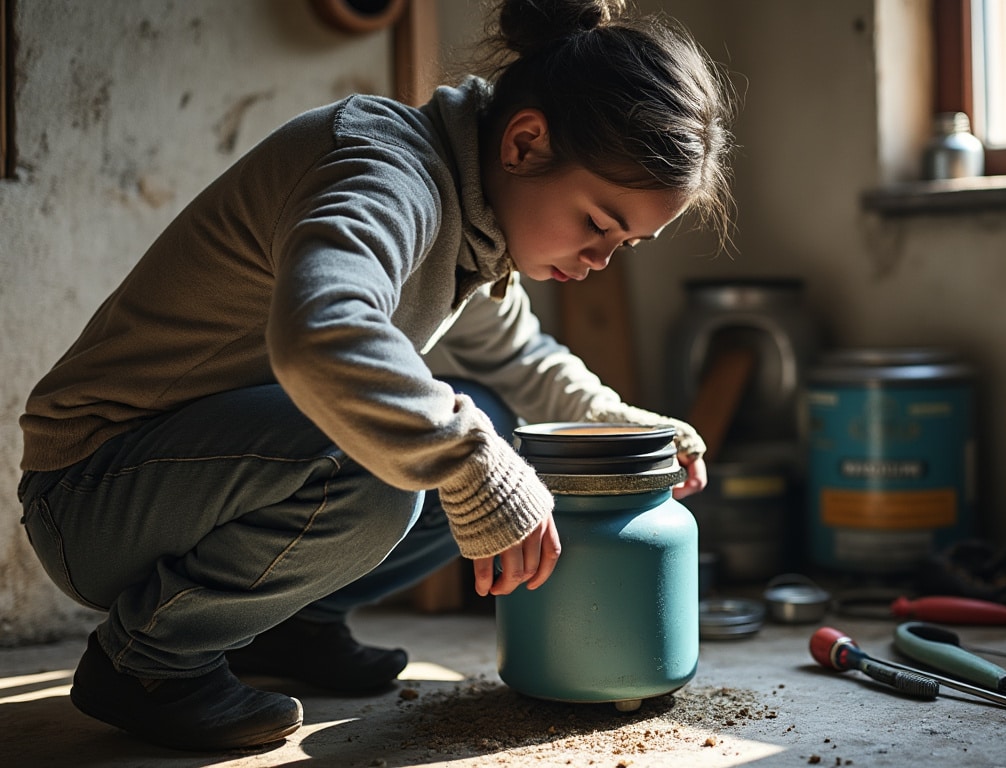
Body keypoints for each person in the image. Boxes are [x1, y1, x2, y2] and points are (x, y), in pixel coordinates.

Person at [16, 0, 735, 752]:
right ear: (525, 142)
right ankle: (146, 664)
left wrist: (617, 420)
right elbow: (320, 333)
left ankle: (286, 627)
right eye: (597, 222)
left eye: (627, 244)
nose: (598, 262)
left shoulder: (479, 223)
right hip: (92, 495)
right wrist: (468, 458)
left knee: (483, 421)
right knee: (403, 460)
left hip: (197, 478)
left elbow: (519, 358)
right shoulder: (387, 170)